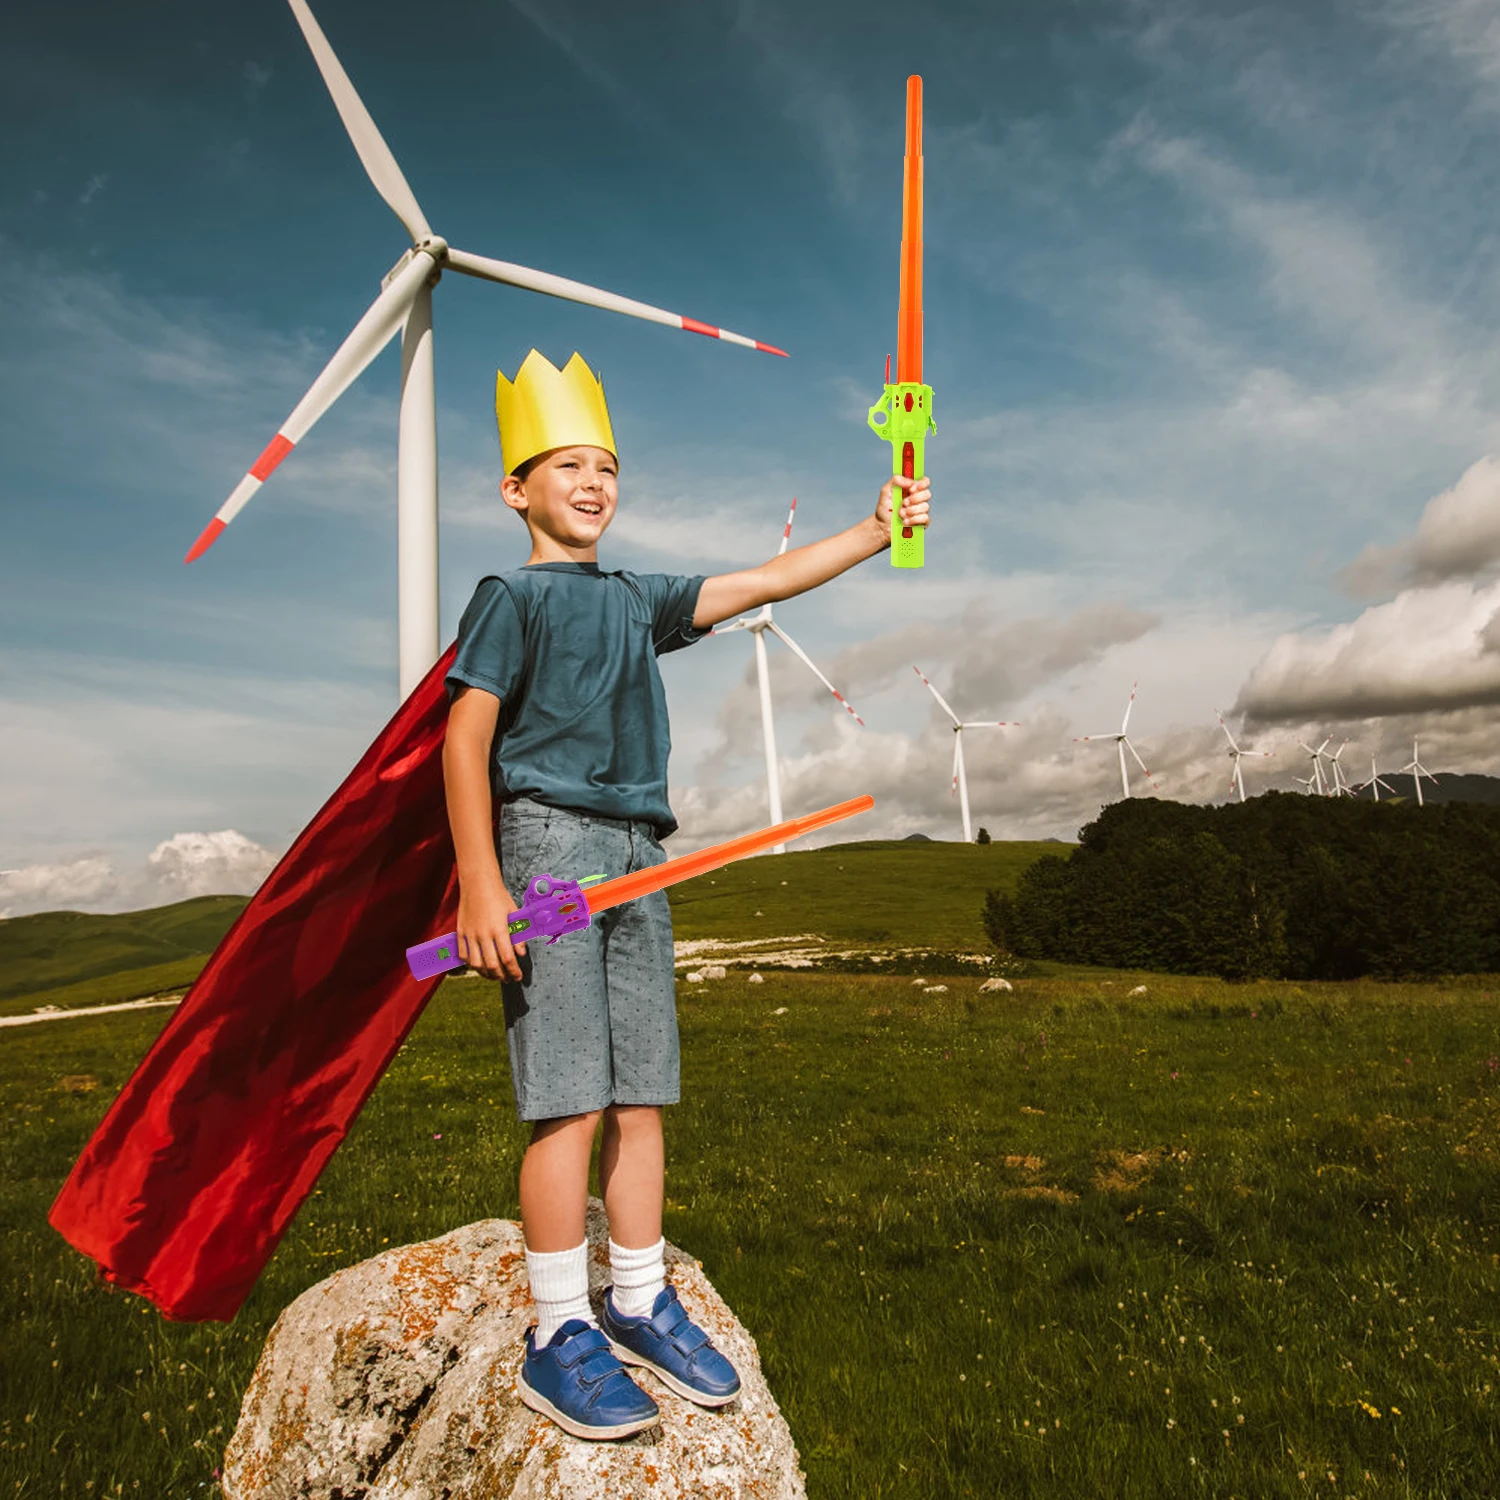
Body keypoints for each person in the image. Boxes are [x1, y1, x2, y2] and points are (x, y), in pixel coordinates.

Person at [442, 349, 932, 1440]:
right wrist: (481, 878)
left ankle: (639, 1298)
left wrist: (875, 526)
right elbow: (465, 733)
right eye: (567, 463)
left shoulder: (637, 599)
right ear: (515, 487)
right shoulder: (509, 595)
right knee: (568, 1091)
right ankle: (556, 1331)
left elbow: (759, 583)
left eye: (607, 465)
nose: (593, 481)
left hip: (642, 857)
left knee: (642, 1093)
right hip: (552, 850)